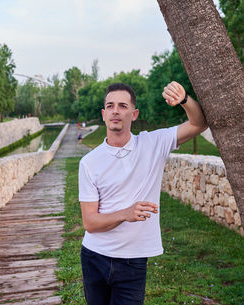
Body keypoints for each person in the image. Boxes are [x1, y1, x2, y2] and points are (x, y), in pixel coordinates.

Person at [78, 81, 207, 305]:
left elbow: (199, 123)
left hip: (133, 260)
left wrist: (184, 100)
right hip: (94, 256)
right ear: (103, 114)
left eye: (122, 106)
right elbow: (90, 223)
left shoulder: (153, 143)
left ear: (134, 114)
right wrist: (124, 213)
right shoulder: (89, 162)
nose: (115, 111)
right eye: (110, 106)